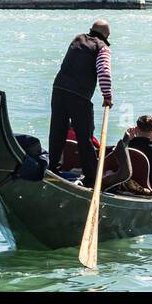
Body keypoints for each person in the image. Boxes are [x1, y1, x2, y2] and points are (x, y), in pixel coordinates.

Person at [47, 19, 113, 187]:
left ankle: (53, 168)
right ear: (106, 36)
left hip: (59, 89)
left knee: (57, 131)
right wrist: (107, 96)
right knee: (85, 138)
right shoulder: (102, 48)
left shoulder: (77, 38)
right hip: (79, 96)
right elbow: (104, 72)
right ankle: (91, 177)